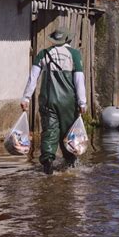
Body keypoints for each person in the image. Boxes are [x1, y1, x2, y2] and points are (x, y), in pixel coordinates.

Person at [20, 27, 87, 175]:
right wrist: (82, 103)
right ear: (68, 39)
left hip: (47, 100)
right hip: (68, 102)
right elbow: (79, 81)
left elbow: (33, 78)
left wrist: (26, 98)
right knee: (69, 133)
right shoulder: (74, 54)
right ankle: (70, 164)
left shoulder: (43, 54)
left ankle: (48, 165)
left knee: (49, 131)